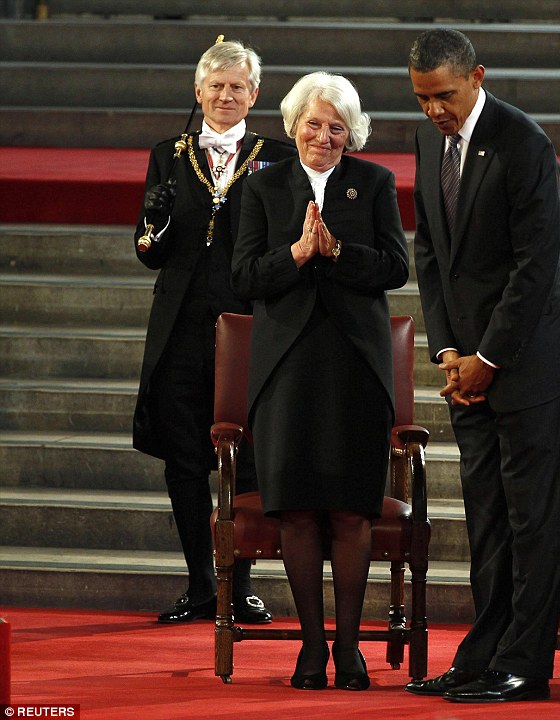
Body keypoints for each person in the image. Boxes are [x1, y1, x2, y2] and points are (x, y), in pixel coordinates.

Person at [404, 29, 560, 704]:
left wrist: (489, 357)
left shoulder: (524, 142)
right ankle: (484, 654)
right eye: (422, 98)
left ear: (476, 76)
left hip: (528, 362)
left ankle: (525, 666)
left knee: (533, 521)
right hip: (467, 368)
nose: (434, 111)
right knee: (487, 519)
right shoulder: (426, 141)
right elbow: (429, 255)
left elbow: (535, 266)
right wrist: (449, 350)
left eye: (445, 95)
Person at [231, 71, 409, 691]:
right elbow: (245, 276)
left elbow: (395, 266)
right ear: (293, 125)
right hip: (286, 370)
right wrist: (298, 255)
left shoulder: (375, 183)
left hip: (356, 366)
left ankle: (351, 649)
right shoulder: (263, 187)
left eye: (337, 127)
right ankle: (311, 649)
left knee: (352, 512)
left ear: (351, 133)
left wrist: (337, 252)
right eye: (314, 123)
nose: (324, 136)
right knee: (299, 512)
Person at [133, 39, 296, 625]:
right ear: (197, 91)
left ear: (255, 95)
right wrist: (155, 218)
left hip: (249, 325)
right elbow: (148, 252)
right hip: (179, 326)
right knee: (184, 457)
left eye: (238, 87)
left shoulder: (276, 156)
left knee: (247, 456)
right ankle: (201, 584)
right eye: (216, 86)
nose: (226, 96)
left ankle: (239, 584)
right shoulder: (167, 154)